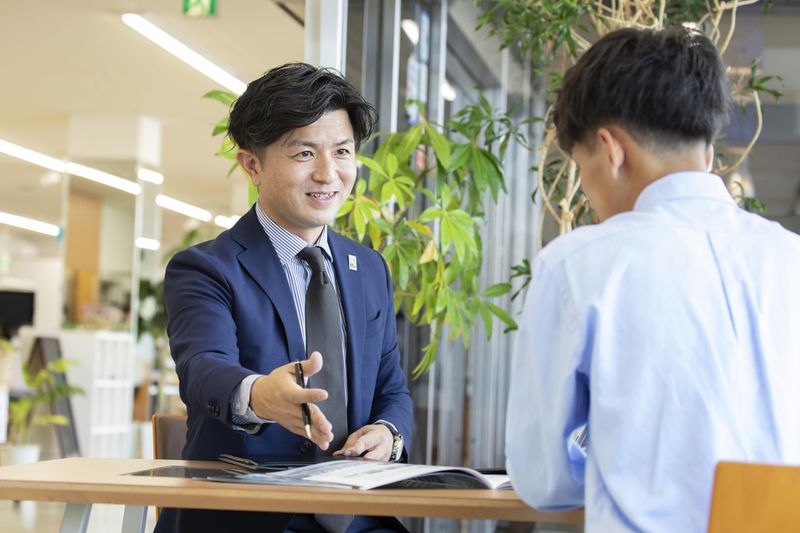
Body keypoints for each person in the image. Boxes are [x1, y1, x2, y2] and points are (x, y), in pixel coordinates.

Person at [505, 27, 800, 532]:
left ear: (611, 150)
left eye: (581, 169)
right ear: (707, 153)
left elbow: (543, 478)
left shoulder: (578, 265)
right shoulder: (790, 257)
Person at [156, 63, 412, 533]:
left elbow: (391, 388)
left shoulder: (369, 268)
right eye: (303, 154)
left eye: (342, 152)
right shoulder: (206, 268)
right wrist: (258, 395)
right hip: (248, 518)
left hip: (360, 519)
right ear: (252, 164)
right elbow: (203, 368)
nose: (328, 173)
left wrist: (388, 433)